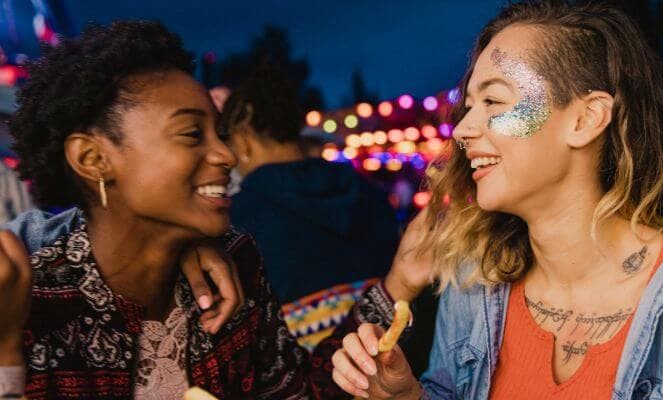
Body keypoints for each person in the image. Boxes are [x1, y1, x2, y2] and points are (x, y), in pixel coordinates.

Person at [331, 2, 663, 399]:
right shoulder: (476, 282)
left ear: (586, 119)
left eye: (493, 100)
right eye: (468, 105)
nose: (465, 129)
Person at [0, 21, 402, 399]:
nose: (227, 154)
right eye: (192, 134)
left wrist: (399, 283)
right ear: (92, 158)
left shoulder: (234, 258)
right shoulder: (27, 287)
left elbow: (291, 392)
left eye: (219, 132)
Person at [219, 66, 400, 347]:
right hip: (387, 356)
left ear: (242, 135)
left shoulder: (238, 218)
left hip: (303, 381)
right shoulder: (366, 191)